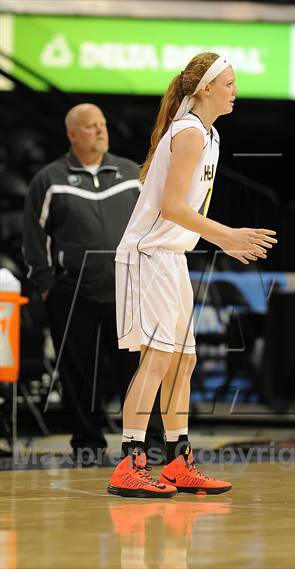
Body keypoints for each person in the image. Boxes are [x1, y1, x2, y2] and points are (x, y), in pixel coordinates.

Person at [107, 52, 277, 498]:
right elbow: (172, 208)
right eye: (229, 83)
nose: (234, 90)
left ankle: (178, 462)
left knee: (184, 361)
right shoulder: (186, 133)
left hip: (172, 256)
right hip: (148, 256)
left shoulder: (210, 135)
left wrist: (221, 238)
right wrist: (227, 236)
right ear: (204, 88)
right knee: (158, 360)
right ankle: (130, 461)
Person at [23, 103, 163, 465]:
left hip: (129, 291)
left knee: (137, 373)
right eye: (90, 126)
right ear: (72, 134)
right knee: (79, 374)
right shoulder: (49, 179)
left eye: (102, 124)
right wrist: (46, 284)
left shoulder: (133, 174)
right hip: (72, 293)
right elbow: (34, 237)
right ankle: (88, 444)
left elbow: (155, 223)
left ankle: (150, 443)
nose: (100, 131)